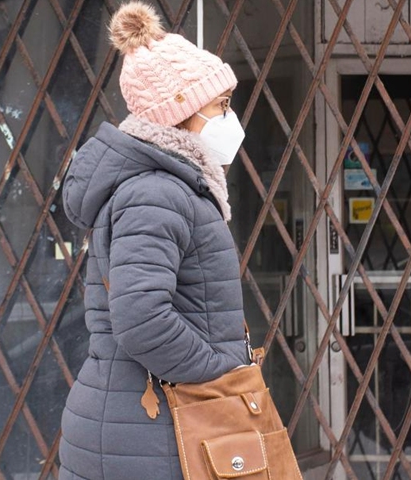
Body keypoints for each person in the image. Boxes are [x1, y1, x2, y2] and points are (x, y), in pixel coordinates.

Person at [59, 2, 248, 478]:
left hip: (143, 427)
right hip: (151, 432)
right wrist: (221, 374)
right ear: (181, 114)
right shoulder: (156, 191)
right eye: (220, 107)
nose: (230, 118)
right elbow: (142, 319)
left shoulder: (165, 186)